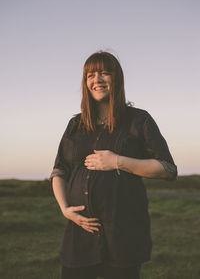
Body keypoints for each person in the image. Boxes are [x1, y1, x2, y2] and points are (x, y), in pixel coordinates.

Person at [49, 51, 177, 279]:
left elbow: (168, 169)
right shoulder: (75, 124)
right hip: (79, 235)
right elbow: (60, 170)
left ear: (116, 79)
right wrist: (65, 209)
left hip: (123, 234)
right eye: (90, 75)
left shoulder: (139, 120)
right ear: (85, 82)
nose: (96, 80)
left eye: (104, 73)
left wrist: (118, 161)